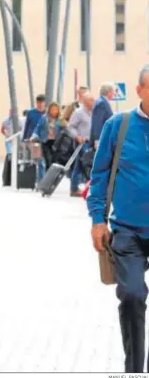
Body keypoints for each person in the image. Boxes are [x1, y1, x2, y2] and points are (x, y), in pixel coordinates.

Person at [87, 64, 149, 373]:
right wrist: (98, 219)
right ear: (139, 91)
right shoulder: (118, 125)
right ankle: (135, 371)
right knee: (133, 296)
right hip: (127, 231)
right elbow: (98, 176)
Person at [67, 92, 94, 196]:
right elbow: (71, 126)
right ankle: (76, 189)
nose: (93, 102)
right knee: (83, 166)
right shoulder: (78, 113)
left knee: (81, 166)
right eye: (91, 100)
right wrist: (77, 136)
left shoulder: (93, 112)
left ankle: (77, 189)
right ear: (85, 101)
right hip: (82, 143)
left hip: (91, 142)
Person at [30, 101, 66, 178]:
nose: (54, 111)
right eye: (52, 109)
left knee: (54, 161)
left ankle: (53, 178)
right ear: (49, 110)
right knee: (48, 160)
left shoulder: (60, 119)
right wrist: (34, 135)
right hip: (46, 141)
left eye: (56, 109)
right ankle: (47, 179)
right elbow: (38, 128)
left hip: (57, 143)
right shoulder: (44, 118)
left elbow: (65, 129)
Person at [90, 82, 115, 149]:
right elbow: (98, 122)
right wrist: (97, 140)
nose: (114, 94)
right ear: (108, 92)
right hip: (101, 139)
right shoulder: (102, 103)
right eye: (113, 92)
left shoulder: (103, 102)